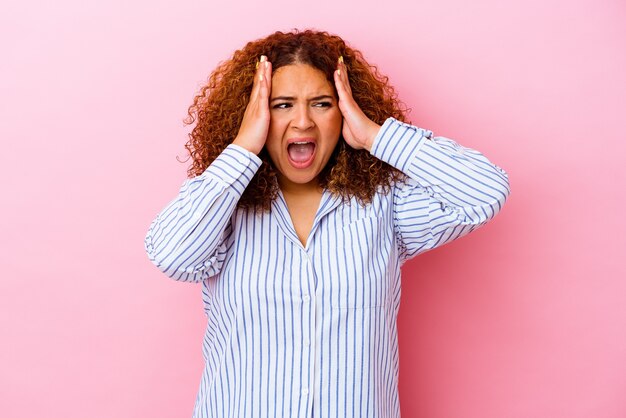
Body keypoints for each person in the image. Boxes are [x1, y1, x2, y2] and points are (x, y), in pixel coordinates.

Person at [144, 29, 510, 418]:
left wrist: (374, 134)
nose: (302, 121)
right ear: (254, 114)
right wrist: (242, 148)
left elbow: (484, 192)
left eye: (321, 103)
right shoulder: (221, 210)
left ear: (344, 110)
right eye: (282, 105)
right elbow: (170, 255)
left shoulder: (386, 205)